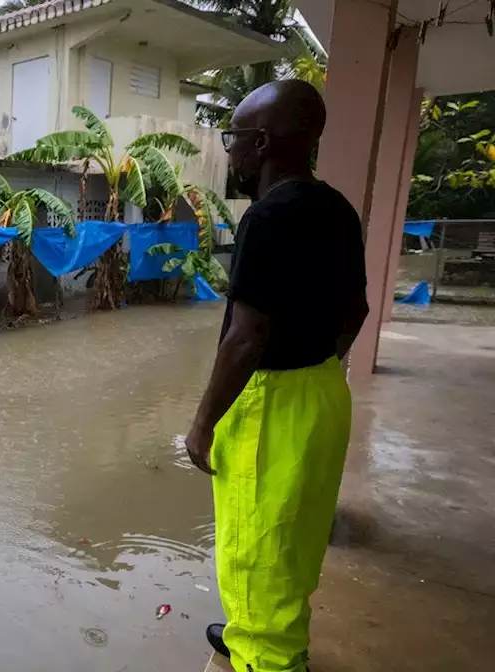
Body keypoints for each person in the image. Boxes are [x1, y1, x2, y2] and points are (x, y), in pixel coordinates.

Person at [185, 80, 368, 672]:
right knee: (291, 543)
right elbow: (357, 312)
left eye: (234, 137)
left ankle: (264, 655)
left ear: (261, 143)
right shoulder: (338, 208)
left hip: (275, 406)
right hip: (323, 392)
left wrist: (202, 424)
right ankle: (251, 632)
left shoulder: (266, 218)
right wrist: (317, 360)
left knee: (257, 548)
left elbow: (246, 337)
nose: (230, 150)